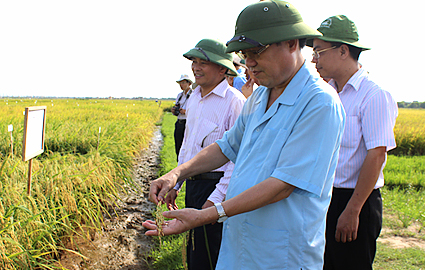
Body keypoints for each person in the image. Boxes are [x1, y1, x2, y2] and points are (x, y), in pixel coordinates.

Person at [143, 1, 345, 269]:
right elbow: (226, 147)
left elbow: (283, 184)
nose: (248, 63)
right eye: (244, 54)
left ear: (292, 43)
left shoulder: (319, 103)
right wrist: (178, 173)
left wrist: (208, 215)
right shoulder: (261, 95)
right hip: (240, 242)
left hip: (280, 253)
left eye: (256, 52)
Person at [308, 15, 398, 270]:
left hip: (355, 199)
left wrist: (353, 210)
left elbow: (376, 155)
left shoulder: (374, 95)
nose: (314, 59)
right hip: (325, 196)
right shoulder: (327, 93)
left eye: (319, 52)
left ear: (343, 51)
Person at [166, 38, 246, 270]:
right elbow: (187, 148)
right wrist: (176, 183)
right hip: (194, 186)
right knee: (195, 251)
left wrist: (216, 199)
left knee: (214, 253)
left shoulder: (234, 102)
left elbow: (236, 158)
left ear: (223, 68)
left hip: (218, 189)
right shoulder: (194, 99)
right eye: (194, 61)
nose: (196, 67)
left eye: (204, 62)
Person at [172, 74, 193, 159]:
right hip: (179, 122)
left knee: (187, 146)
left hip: (188, 123)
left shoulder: (193, 95)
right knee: (178, 145)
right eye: (180, 83)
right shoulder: (179, 95)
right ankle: (179, 164)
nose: (181, 85)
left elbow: (197, 111)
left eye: (183, 83)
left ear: (189, 83)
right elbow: (177, 108)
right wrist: (174, 111)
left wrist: (185, 112)